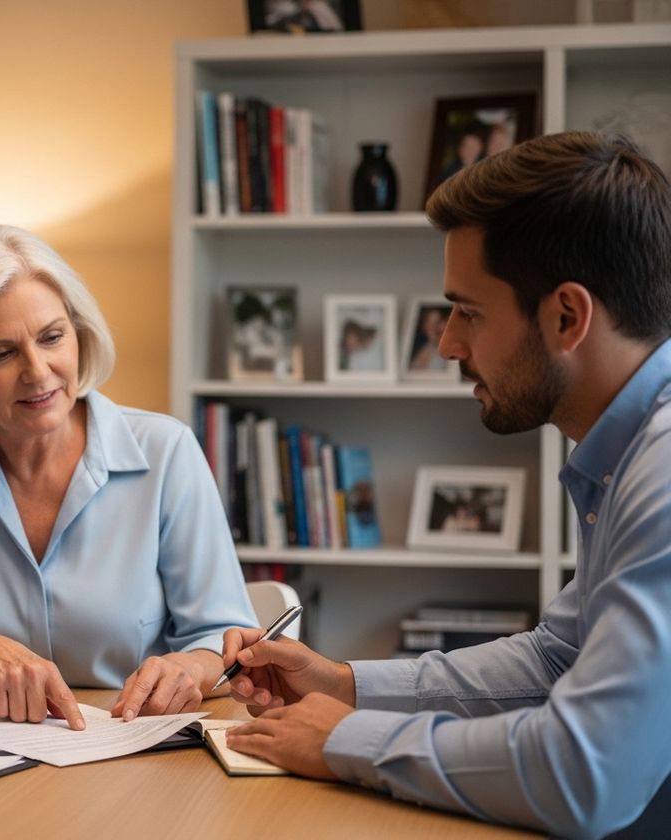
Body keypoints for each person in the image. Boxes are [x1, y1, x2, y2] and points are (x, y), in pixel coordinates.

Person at [219, 131, 671, 837]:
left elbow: (588, 773)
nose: (448, 344)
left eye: (468, 312)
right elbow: (560, 658)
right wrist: (346, 685)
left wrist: (346, 741)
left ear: (566, 316)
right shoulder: (628, 447)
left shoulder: (663, 472)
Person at [0, 225, 256, 727]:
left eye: (52, 337)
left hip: (131, 742)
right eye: (0, 354)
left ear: (79, 333)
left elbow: (224, 633)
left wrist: (190, 667)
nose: (37, 372)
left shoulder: (165, 450)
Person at [407, 305, 451, 372]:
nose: (433, 327)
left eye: (437, 322)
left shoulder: (449, 347)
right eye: (429, 323)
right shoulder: (421, 347)